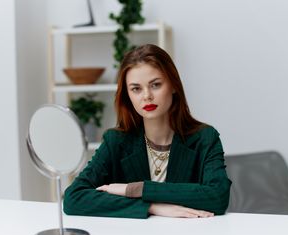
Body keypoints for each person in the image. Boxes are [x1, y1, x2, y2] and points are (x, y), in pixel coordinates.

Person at [63, 44, 231, 219]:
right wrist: (151, 206)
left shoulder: (205, 138)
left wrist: (136, 189)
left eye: (156, 85)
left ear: (173, 85)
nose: (147, 96)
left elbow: (218, 197)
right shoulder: (116, 141)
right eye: (136, 89)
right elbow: (73, 198)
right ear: (127, 95)